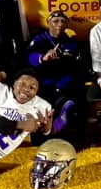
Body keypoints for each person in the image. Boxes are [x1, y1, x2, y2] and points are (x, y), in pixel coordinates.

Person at [26, 10, 86, 139]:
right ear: (48, 23)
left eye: (63, 21)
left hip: (64, 86)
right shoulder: (39, 39)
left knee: (71, 104)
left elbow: (77, 67)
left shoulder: (71, 43)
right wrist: (43, 58)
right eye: (55, 21)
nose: (59, 24)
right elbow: (30, 57)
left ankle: (61, 128)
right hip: (44, 86)